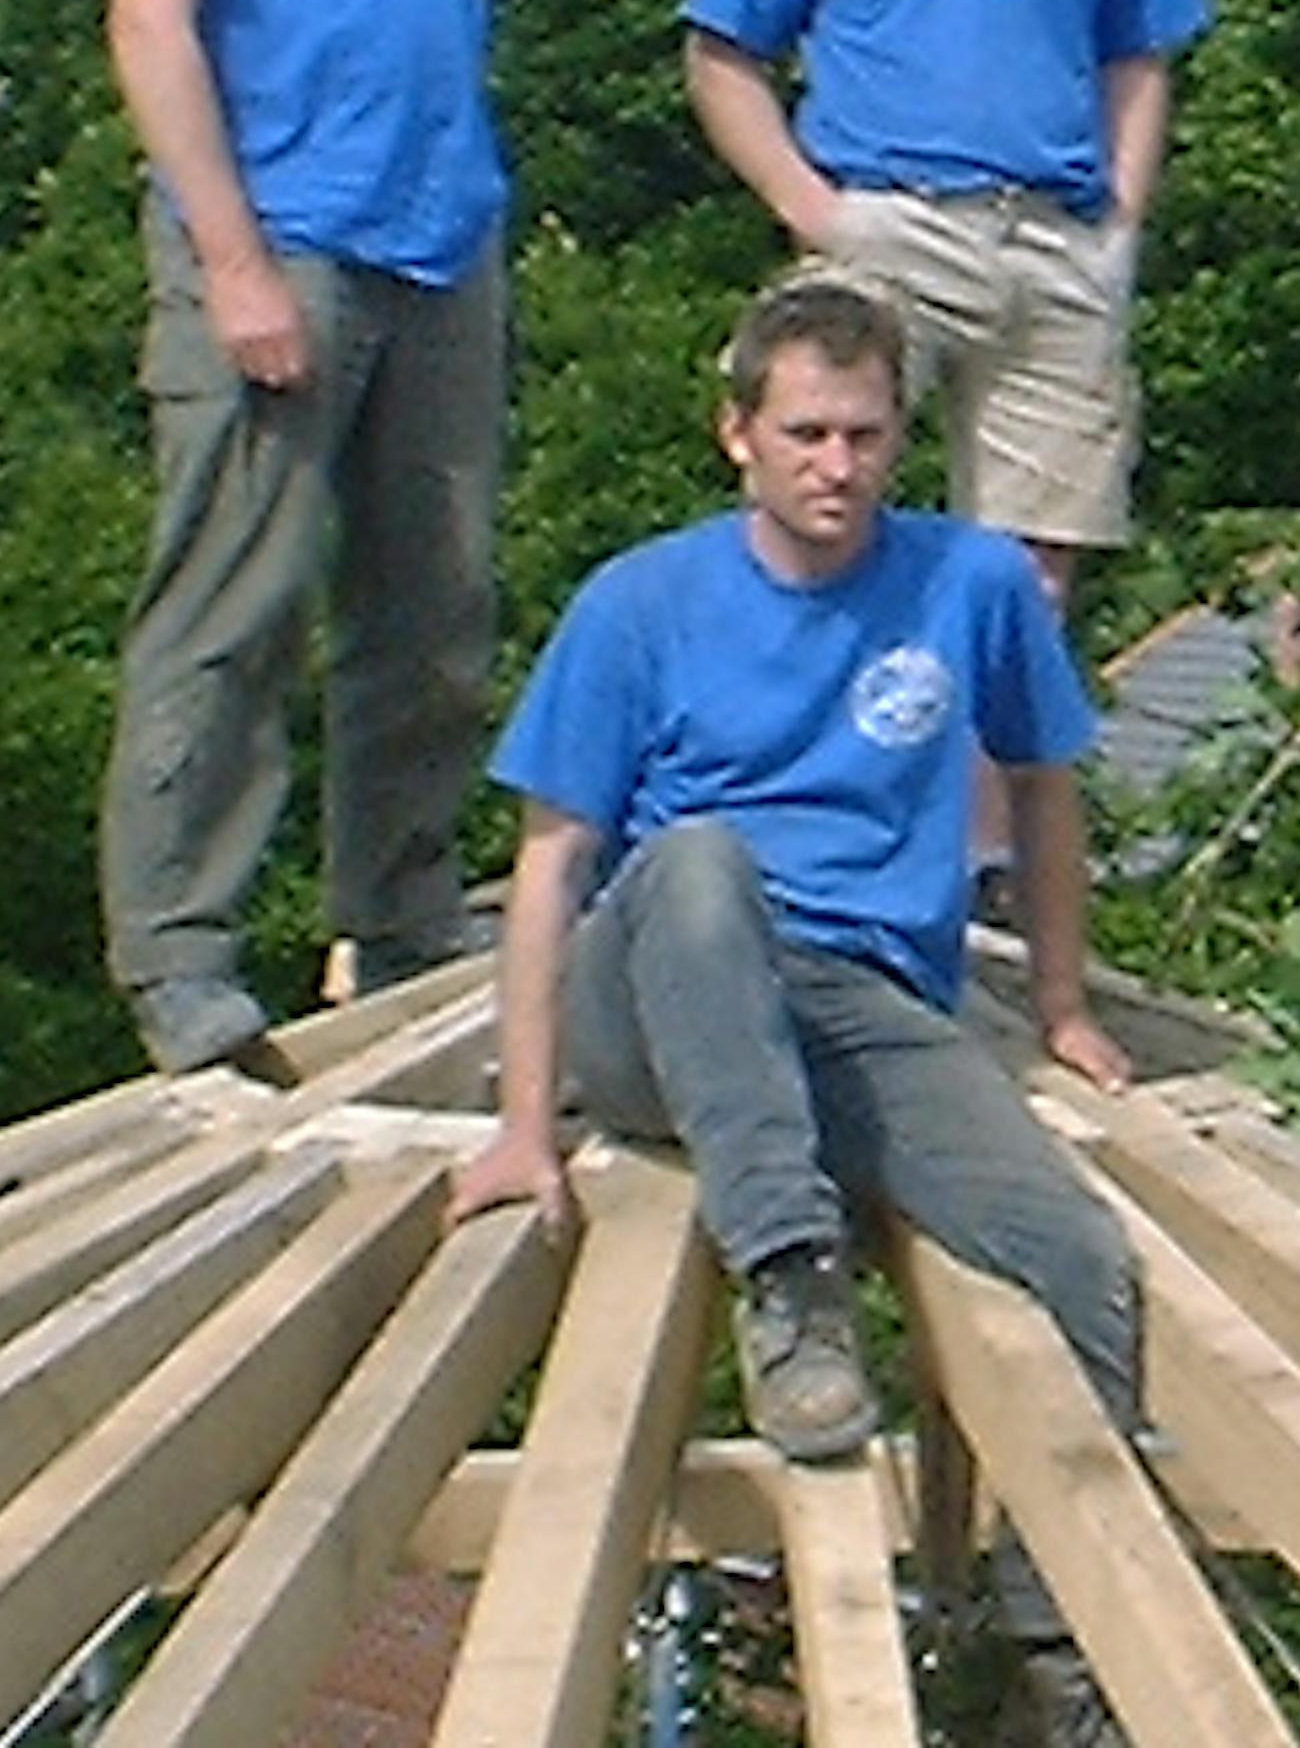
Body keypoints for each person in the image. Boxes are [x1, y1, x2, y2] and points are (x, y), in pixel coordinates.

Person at [444, 277, 1140, 1731]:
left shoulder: (973, 585)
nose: (839, 465)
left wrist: (1063, 1002)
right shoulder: (643, 602)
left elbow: (1048, 782)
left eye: (867, 434)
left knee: (1075, 1247)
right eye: (808, 432)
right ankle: (790, 1281)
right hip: (659, 987)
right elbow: (555, 860)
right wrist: (523, 1122)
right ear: (739, 435)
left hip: (859, 997)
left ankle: (1057, 1640)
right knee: (701, 862)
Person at [681, 0, 1211, 904]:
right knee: (821, 518)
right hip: (887, 221)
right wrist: (815, 211)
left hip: (1054, 237)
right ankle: (804, 838)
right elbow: (720, 54)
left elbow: (1144, 51)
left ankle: (972, 874)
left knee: (1023, 583)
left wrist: (1122, 224)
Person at [82, 0, 510, 1077]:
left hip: (437, 230)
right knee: (232, 602)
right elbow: (151, 14)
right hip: (276, 232)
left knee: (437, 607)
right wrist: (233, 253)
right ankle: (182, 953)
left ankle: (400, 913)